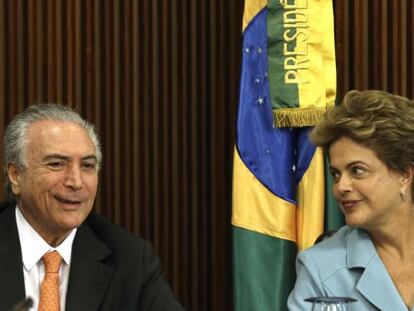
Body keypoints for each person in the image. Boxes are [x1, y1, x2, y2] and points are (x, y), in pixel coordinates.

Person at [0, 103, 185, 310]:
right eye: (56, 164)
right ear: (15, 176)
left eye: (87, 166)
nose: (76, 182)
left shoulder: (130, 259)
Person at [288, 90, 414, 310]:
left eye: (357, 170)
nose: (341, 187)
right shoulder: (319, 267)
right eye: (336, 174)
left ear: (404, 174)